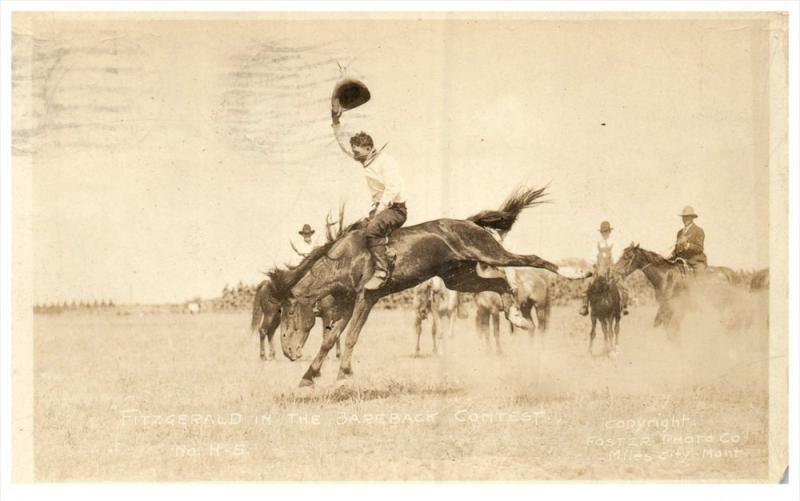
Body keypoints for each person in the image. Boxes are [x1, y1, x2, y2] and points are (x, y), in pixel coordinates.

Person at [332, 107, 407, 290]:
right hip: (381, 208)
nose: (354, 154)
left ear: (368, 148)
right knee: (356, 232)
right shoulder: (365, 159)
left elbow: (393, 188)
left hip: (396, 210)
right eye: (354, 151)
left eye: (357, 151)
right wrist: (335, 121)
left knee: (372, 228)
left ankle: (382, 272)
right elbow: (343, 145)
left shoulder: (386, 161)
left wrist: (378, 211)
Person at [579, 221, 629, 316]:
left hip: (612, 268)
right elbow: (592, 257)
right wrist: (594, 265)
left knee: (624, 287)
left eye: (606, 231)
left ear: (609, 232)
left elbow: (618, 256)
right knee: (586, 283)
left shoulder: (615, 243)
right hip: (598, 268)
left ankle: (624, 307)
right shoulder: (596, 244)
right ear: (601, 232)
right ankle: (584, 306)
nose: (604, 234)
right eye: (603, 232)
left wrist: (614, 266)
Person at [668, 206, 707, 273]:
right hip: (681, 261)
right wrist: (670, 255)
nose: (685, 219)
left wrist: (688, 245)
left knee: (699, 280)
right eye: (684, 217)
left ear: (692, 218)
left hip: (695, 262)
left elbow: (700, 248)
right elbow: (677, 249)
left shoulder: (698, 230)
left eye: (687, 217)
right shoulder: (679, 232)